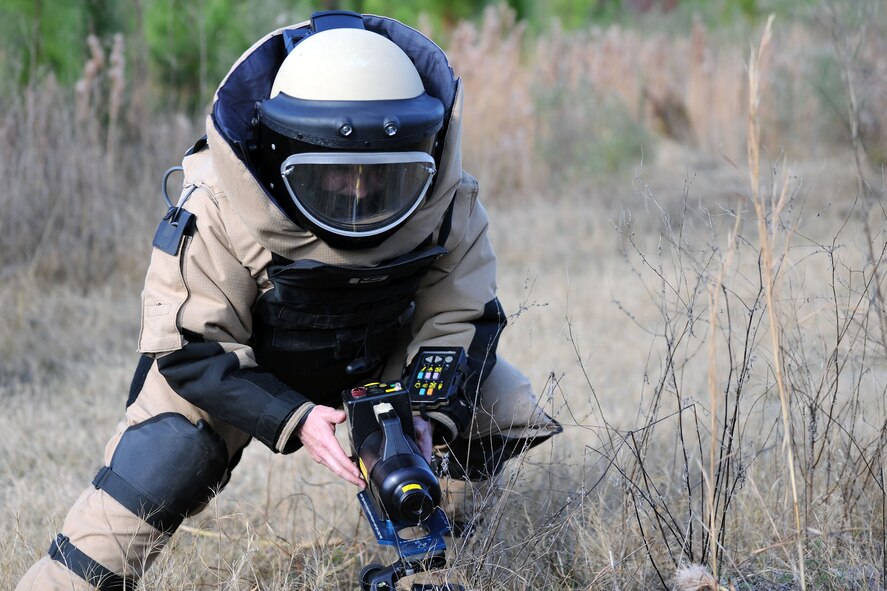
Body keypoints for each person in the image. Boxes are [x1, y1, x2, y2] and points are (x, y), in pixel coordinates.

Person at [17, 10, 561, 590]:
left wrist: (426, 416)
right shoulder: (219, 206)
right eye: (334, 176)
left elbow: (462, 317)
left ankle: (443, 551)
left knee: (493, 402)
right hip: (242, 370)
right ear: (282, 152)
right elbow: (193, 349)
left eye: (381, 176)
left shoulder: (446, 204)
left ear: (423, 150)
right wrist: (294, 419)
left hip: (379, 357)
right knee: (167, 456)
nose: (358, 192)